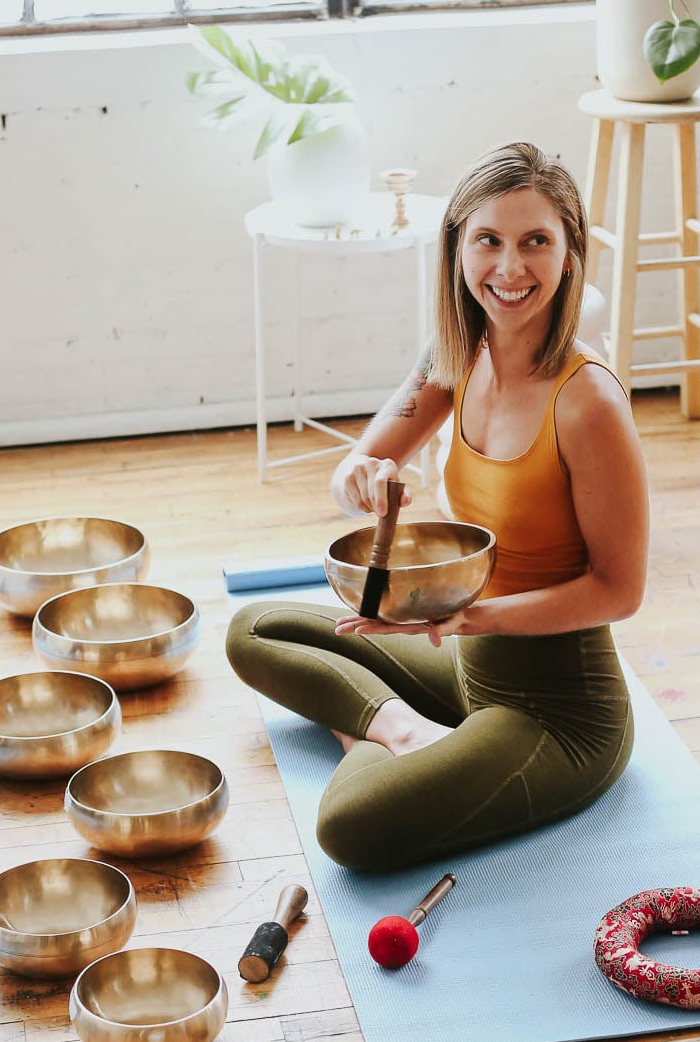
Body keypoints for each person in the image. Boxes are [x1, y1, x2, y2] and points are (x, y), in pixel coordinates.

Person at [226, 141, 649, 872]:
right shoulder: (458, 351)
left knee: (350, 826)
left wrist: (470, 617)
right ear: (457, 248)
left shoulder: (589, 404)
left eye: (536, 242)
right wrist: (359, 479)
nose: (509, 268)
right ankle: (403, 729)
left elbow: (621, 591)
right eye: (488, 240)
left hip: (556, 713)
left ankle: (381, 734)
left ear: (571, 255)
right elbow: (355, 466)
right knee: (254, 627)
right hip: (463, 661)